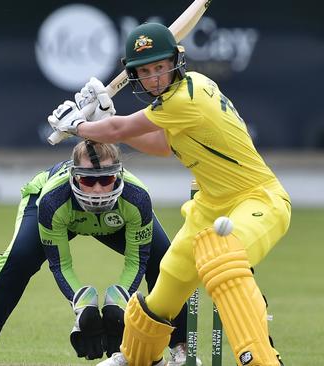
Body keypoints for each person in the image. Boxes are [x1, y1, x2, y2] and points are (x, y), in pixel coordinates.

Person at [48, 22, 291, 366]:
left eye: (159, 67)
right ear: (135, 76)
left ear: (176, 62)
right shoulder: (182, 96)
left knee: (224, 257)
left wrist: (78, 126)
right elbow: (162, 145)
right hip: (210, 205)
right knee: (168, 285)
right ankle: (134, 358)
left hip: (258, 199)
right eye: (145, 71)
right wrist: (107, 125)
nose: (154, 78)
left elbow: (120, 129)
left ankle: (261, 361)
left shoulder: (186, 98)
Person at [0, 141, 195, 366]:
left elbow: (137, 260)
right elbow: (60, 264)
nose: (98, 191)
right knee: (17, 258)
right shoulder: (51, 200)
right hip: (63, 213)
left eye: (107, 179)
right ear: (74, 176)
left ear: (118, 175)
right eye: (88, 181)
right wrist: (80, 302)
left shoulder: (137, 198)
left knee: (166, 259)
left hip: (116, 220)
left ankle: (181, 346)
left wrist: (121, 296)